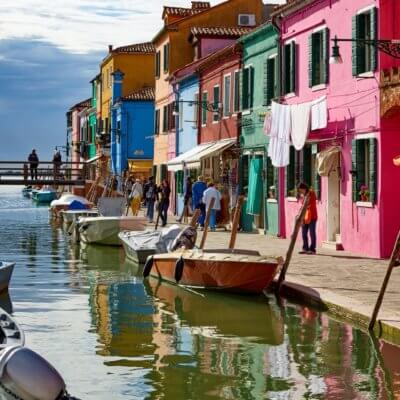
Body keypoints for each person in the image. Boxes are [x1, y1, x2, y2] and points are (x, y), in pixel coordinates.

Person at [297, 182, 318, 255]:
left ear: (304, 188)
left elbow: (309, 205)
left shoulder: (311, 193)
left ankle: (312, 249)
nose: (300, 192)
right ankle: (305, 248)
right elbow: (302, 206)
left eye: (301, 190)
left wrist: (304, 207)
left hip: (312, 216)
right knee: (304, 233)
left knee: (312, 233)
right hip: (304, 217)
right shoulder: (304, 195)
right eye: (299, 191)